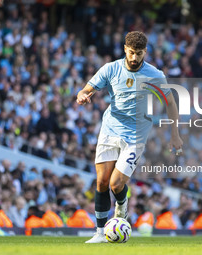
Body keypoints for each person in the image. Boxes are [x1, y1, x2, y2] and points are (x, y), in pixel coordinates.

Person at [77, 31, 183, 243]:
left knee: (116, 184)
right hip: (110, 129)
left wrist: (175, 134)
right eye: (132, 53)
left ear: (145, 52)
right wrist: (82, 94)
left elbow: (170, 103)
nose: (135, 58)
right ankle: (99, 233)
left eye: (140, 53)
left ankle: (122, 208)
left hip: (136, 134)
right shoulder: (111, 68)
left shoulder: (154, 75)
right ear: (125, 49)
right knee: (102, 182)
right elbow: (88, 88)